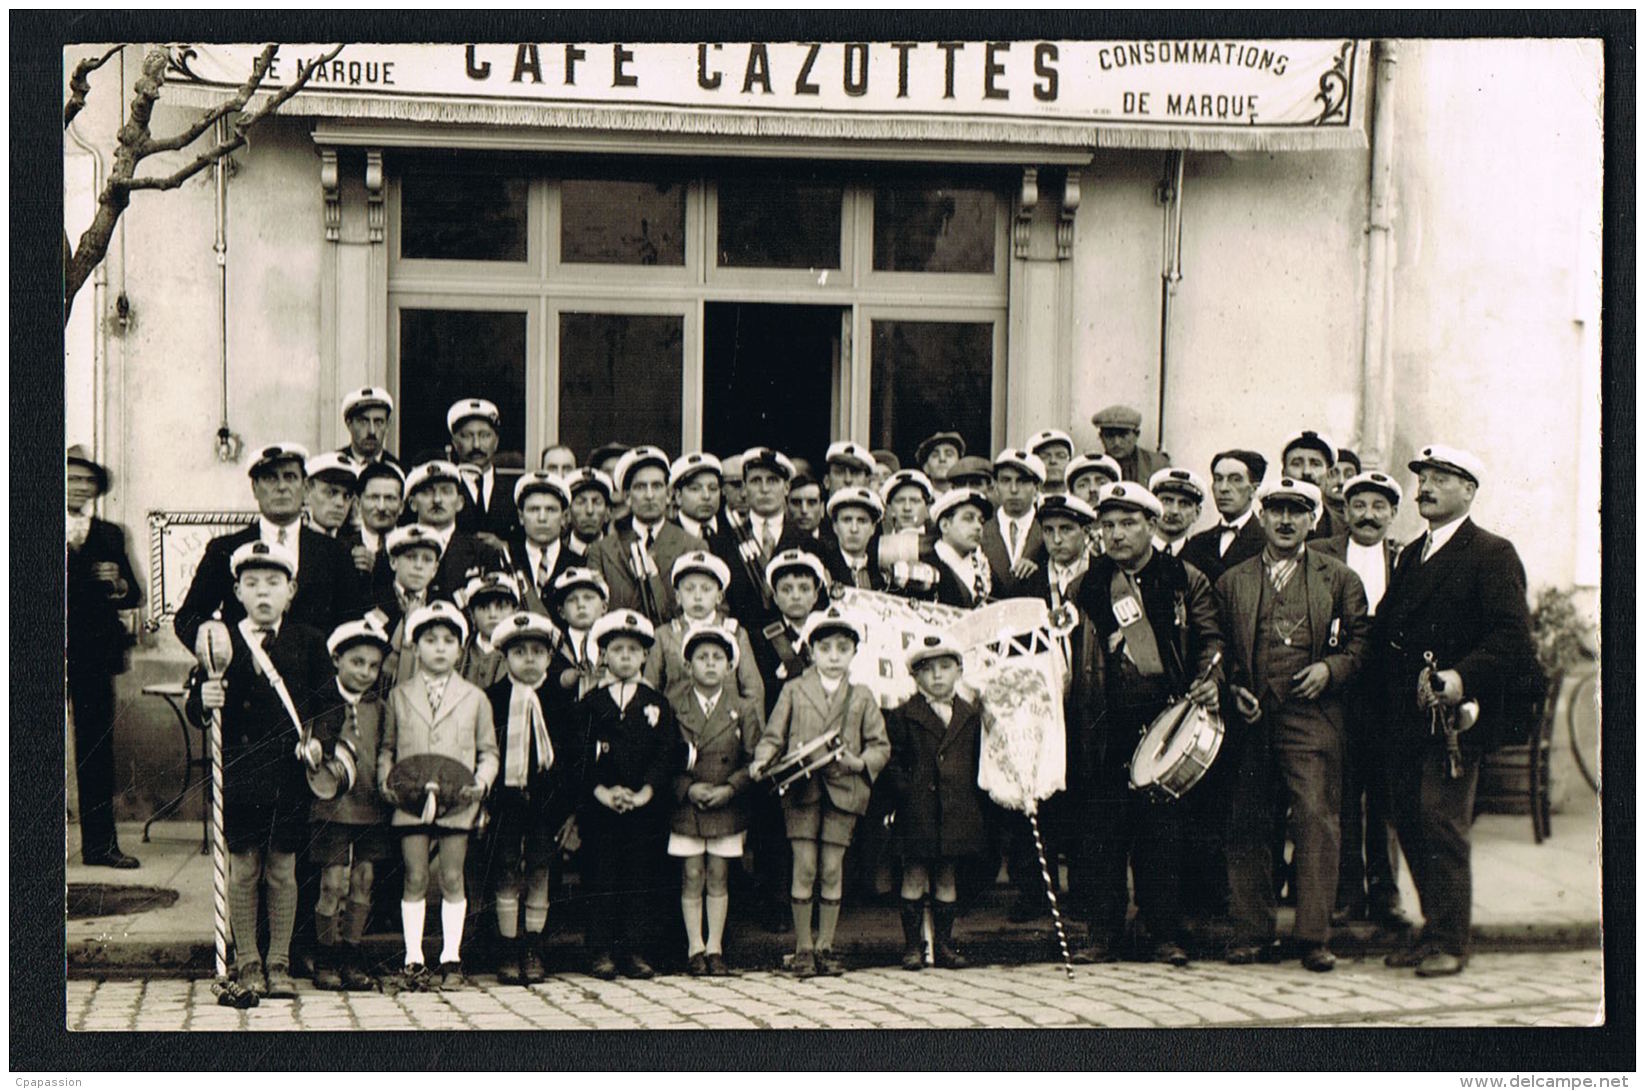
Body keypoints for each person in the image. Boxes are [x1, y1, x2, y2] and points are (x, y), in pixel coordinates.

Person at [1372, 445, 1540, 978]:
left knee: (1442, 823)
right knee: (1410, 822)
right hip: (1405, 716)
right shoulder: (1409, 555)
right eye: (1423, 477)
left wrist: (1461, 676)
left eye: (1442, 478)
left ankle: (1451, 940)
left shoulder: (1492, 553)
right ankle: (1433, 928)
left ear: (1469, 491)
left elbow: (1512, 639)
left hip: (1454, 719)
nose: (1426, 487)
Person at [1215, 478, 1369, 973]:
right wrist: (1233, 685)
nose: (1285, 521)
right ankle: (1250, 933)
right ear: (1261, 517)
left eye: (1297, 512)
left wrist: (1330, 669)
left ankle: (1313, 937)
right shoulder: (1233, 580)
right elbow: (1214, 646)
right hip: (1251, 716)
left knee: (1316, 822)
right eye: (1276, 511)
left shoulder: (1339, 579)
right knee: (1247, 822)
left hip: (1312, 717)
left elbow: (1361, 644)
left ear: (1311, 520)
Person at [1068, 483, 1222, 967]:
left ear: (1152, 525)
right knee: (1101, 834)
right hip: (1104, 725)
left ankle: (1163, 934)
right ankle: (1102, 934)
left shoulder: (1184, 579)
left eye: (1128, 523)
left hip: (1165, 724)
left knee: (1163, 836)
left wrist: (1209, 679)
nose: (1116, 535)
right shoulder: (1086, 586)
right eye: (1108, 525)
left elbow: (1210, 641)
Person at [190, 541, 332, 999]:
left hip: (289, 776)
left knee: (283, 869)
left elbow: (329, 703)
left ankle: (280, 962)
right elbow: (198, 701)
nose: (263, 593)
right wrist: (204, 701)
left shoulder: (309, 640)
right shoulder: (220, 639)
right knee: (245, 867)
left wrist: (318, 740)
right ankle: (248, 960)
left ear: (291, 590)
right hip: (242, 772)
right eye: (252, 584)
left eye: (273, 583)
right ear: (236, 590)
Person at [751, 606, 890, 978]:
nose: (833, 656)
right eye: (825, 648)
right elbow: (773, 736)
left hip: (844, 789)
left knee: (831, 869)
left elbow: (880, 745)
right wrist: (761, 760)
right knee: (805, 866)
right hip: (801, 790)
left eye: (842, 648)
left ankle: (826, 945)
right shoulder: (794, 690)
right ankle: (803, 948)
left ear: (853, 654)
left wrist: (860, 763)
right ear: (811, 651)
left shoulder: (861, 695)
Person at [378, 600, 499, 993]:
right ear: (415, 646)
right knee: (415, 875)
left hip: (456, 799)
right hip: (411, 801)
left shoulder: (475, 697)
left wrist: (481, 782)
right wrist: (386, 781)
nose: (440, 648)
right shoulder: (399, 696)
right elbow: (387, 749)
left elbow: (489, 751)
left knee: (451, 875)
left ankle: (451, 957)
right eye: (430, 640)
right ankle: (413, 957)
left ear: (461, 648)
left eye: (449, 640)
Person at [1312, 470, 1411, 930]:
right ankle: (1347, 890)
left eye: (1379, 507)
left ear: (1392, 514)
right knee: (1342, 793)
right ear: (1345, 512)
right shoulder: (1321, 557)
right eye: (1359, 506)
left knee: (1386, 794)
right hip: (1339, 690)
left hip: (1388, 695)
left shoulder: (1407, 559)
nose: (1368, 515)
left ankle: (1386, 893)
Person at [574, 610, 683, 980]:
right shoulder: (591, 703)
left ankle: (636, 949)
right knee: (601, 876)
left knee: (642, 877)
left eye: (632, 650)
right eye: (616, 649)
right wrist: (601, 791)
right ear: (602, 655)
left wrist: (645, 792)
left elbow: (666, 753)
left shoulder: (657, 703)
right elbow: (580, 754)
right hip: (602, 809)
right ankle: (601, 951)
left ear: (644, 657)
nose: (624, 656)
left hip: (644, 809)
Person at [175, 442, 361, 650]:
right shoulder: (225, 549)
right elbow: (187, 618)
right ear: (254, 488)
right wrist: (217, 650)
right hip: (244, 677)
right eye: (270, 478)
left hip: (311, 679)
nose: (281, 487)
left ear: (305, 487)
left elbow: (352, 622)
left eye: (290, 477)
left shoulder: (334, 553)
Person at [482, 611, 577, 986]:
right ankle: (508, 944)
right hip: (505, 801)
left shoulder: (559, 700)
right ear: (505, 657)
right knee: (506, 867)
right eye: (519, 652)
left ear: (550, 658)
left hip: (546, 802)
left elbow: (572, 758)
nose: (529, 659)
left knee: (539, 868)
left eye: (538, 651)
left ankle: (534, 945)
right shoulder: (492, 699)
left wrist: (568, 808)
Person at [885, 633, 988, 971]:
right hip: (919, 810)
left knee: (946, 876)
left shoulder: (971, 715)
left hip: (957, 808)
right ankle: (913, 946)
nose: (938, 676)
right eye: (928, 670)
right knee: (914, 875)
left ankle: (944, 944)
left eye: (946, 667)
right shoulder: (903, 715)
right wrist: (905, 791)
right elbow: (894, 760)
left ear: (959, 670)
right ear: (915, 676)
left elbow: (977, 759)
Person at [668, 624, 765, 976]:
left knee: (719, 875)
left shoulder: (743, 709)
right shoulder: (674, 707)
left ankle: (715, 947)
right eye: (702, 657)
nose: (710, 664)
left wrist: (731, 788)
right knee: (692, 874)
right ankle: (695, 947)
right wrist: (686, 788)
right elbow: (664, 758)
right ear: (688, 665)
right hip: (689, 803)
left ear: (729, 666)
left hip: (727, 802)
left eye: (718, 658)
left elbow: (754, 758)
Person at [66, 446, 144, 869]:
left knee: (96, 749)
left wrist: (117, 585)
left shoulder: (112, 534)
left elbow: (135, 593)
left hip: (94, 654)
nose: (80, 487)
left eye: (86, 481)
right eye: (72, 478)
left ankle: (100, 846)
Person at [306, 618, 395, 991]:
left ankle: (352, 954)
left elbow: (388, 749)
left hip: (371, 806)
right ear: (337, 660)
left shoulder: (382, 708)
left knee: (364, 878)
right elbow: (311, 745)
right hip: (333, 807)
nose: (365, 672)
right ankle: (326, 953)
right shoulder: (323, 703)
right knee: (332, 882)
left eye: (373, 666)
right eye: (357, 662)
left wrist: (388, 775)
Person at [587, 445, 707, 625]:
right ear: (627, 497)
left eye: (657, 486)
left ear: (668, 495)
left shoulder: (693, 545)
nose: (649, 495)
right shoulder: (603, 550)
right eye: (640, 487)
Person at [643, 551, 764, 709]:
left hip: (725, 725)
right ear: (678, 596)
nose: (698, 596)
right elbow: (649, 688)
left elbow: (753, 690)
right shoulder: (664, 635)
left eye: (706, 589)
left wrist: (751, 730)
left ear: (719, 596)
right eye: (689, 589)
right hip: (677, 725)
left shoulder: (735, 633)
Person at [401, 460, 507, 603]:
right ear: (412, 503)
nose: (437, 500)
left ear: (460, 503)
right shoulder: (398, 549)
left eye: (446, 491)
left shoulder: (483, 553)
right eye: (427, 492)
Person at [368, 524, 445, 691]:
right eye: (411, 557)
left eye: (427, 560)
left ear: (435, 569)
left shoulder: (442, 607)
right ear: (394, 562)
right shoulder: (372, 600)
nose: (418, 566)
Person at [1179, 449, 1268, 586]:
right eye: (1218, 479)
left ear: (1254, 490)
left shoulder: (1267, 543)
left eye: (1235, 480)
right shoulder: (1197, 543)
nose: (1223, 488)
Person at [444, 398, 522, 544]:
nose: (476, 445)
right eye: (467, 436)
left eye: (484, 435)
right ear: (454, 442)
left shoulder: (513, 491)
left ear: (496, 441)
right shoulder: (446, 490)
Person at [504, 471, 576, 614]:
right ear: (521, 517)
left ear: (564, 517)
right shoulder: (506, 560)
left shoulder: (579, 563)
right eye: (534, 509)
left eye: (551, 510)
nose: (542, 518)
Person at [981, 448, 1047, 598]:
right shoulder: (981, 531)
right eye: (1005, 481)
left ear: (1037, 489)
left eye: (1022, 481)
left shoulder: (1048, 531)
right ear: (996, 487)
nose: (1014, 489)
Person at [545, 567, 612, 707]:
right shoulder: (554, 646)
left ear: (604, 607)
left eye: (588, 598)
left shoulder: (614, 644)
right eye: (571, 600)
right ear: (561, 612)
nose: (581, 605)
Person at [343, 460, 406, 606]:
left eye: (390, 498)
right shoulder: (343, 549)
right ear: (358, 503)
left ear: (402, 506)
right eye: (374, 497)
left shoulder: (412, 548)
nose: (381, 507)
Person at [457, 571, 526, 691]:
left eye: (501, 607)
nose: (493, 615)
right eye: (484, 607)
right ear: (472, 615)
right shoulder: (458, 654)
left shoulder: (524, 654)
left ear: (515, 612)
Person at [929, 487, 996, 609]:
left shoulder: (984, 567)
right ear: (945, 525)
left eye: (981, 521)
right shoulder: (927, 565)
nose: (978, 527)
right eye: (968, 518)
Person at [820, 486, 886, 591]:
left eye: (862, 521)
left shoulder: (882, 573)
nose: (854, 529)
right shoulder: (823, 569)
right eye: (847, 520)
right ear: (835, 526)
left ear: (873, 528)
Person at [1281, 430, 1342, 541]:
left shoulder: (1345, 529)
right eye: (1297, 464)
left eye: (1315, 464)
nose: (1306, 472)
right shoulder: (1265, 528)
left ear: (1329, 475)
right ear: (1284, 474)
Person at [1089, 404, 1169, 484]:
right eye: (1109, 435)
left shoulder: (1158, 465)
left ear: (1137, 435)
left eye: (1123, 435)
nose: (1116, 442)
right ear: (1101, 437)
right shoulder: (1092, 467)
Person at [1149, 467, 1208, 558]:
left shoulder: (1203, 563)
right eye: (1167, 501)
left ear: (1196, 513)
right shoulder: (1133, 556)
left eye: (1184, 504)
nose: (1174, 511)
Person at [337, 387, 400, 467]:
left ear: (387, 425)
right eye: (363, 422)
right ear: (349, 424)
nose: (372, 431)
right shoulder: (333, 469)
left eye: (378, 422)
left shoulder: (400, 472)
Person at [671, 452, 726, 541]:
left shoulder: (734, 532)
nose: (706, 496)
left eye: (713, 488)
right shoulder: (665, 536)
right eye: (695, 489)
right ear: (678, 496)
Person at [563, 467, 615, 560]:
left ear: (608, 513)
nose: (589, 511)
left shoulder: (620, 556)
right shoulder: (554, 556)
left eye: (596, 502)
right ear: (568, 513)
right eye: (581, 502)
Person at [303, 453, 359, 538]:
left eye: (347, 496)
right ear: (307, 490)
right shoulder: (292, 541)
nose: (340, 503)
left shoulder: (352, 544)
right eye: (331, 493)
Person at [880, 469, 934, 535]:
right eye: (900, 501)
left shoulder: (940, 544)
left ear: (928, 510)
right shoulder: (879, 544)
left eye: (915, 501)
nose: (907, 508)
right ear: (889, 509)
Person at [1026, 428, 1075, 494]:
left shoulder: (1080, 502)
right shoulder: (1026, 503)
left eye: (1061, 455)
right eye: (1044, 456)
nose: (1053, 461)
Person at [786, 474, 826, 540]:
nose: (804, 510)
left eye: (811, 503)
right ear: (786, 507)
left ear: (822, 509)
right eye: (796, 503)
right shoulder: (775, 543)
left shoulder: (837, 544)